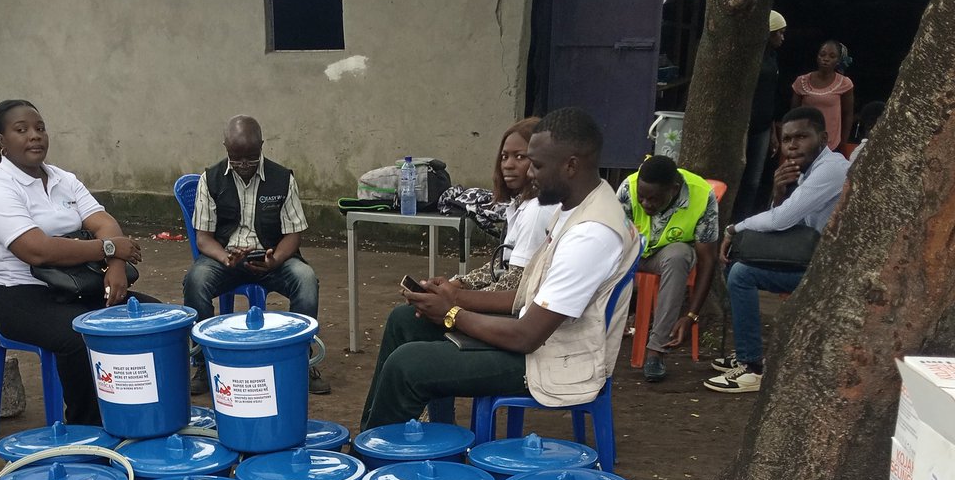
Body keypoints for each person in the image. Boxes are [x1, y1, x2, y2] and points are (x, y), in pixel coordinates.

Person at [359, 107, 640, 430]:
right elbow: (525, 297)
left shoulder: (591, 233)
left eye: (536, 165)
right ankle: (382, 440)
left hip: (553, 360)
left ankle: (376, 461)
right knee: (404, 320)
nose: (529, 174)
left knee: (408, 366)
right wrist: (454, 296)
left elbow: (526, 336)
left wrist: (451, 313)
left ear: (571, 165)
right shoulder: (572, 208)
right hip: (540, 339)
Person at [0, 99, 152, 426]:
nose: (34, 136)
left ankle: (141, 414)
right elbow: (37, 250)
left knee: (153, 319)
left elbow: (104, 222)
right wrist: (111, 249)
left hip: (79, 283)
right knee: (80, 338)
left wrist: (115, 266)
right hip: (23, 296)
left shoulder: (62, 179)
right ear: (1, 141)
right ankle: (89, 430)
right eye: (21, 130)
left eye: (39, 128)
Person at [705, 106, 847, 394]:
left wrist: (734, 228)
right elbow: (787, 220)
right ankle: (749, 353)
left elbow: (782, 221)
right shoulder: (809, 170)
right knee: (738, 267)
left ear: (823, 137)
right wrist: (779, 193)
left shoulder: (832, 168)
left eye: (802, 137)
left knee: (742, 274)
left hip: (831, 271)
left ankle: (752, 368)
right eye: (786, 139)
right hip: (810, 256)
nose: (792, 146)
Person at [185, 115, 327, 394]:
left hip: (273, 259)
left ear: (262, 146)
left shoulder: (282, 178)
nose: (244, 166)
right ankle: (203, 363)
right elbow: (203, 238)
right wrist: (225, 257)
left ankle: (301, 360)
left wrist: (276, 259)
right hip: (227, 258)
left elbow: (294, 234)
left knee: (306, 279)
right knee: (195, 280)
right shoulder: (210, 179)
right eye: (236, 158)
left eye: (251, 157)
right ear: (225, 147)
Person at [616, 155, 719, 383]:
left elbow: (708, 259)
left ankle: (656, 351)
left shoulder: (701, 195)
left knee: (679, 254)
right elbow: (609, 239)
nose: (645, 204)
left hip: (664, 256)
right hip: (629, 252)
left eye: (653, 199)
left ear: (674, 189)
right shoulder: (628, 187)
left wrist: (691, 314)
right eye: (642, 198)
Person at [449, 116, 556, 294]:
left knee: (406, 316)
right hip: (506, 303)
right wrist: (458, 284)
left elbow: (516, 284)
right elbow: (502, 264)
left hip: (517, 313)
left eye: (520, 157)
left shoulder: (538, 210)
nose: (508, 165)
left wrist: (455, 298)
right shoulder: (521, 205)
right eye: (504, 157)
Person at [734, 10, 787, 221]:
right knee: (737, 174)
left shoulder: (772, 58)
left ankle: (743, 221)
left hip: (763, 127)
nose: (782, 38)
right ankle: (731, 216)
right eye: (779, 33)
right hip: (744, 126)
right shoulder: (748, 58)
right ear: (768, 33)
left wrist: (774, 131)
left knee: (753, 180)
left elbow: (770, 97)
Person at [791, 40, 854, 152]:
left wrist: (843, 143)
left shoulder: (844, 84)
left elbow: (848, 114)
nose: (826, 59)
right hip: (804, 142)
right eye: (822, 54)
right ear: (817, 56)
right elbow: (794, 113)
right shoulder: (802, 81)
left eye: (832, 56)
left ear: (838, 60)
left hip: (831, 145)